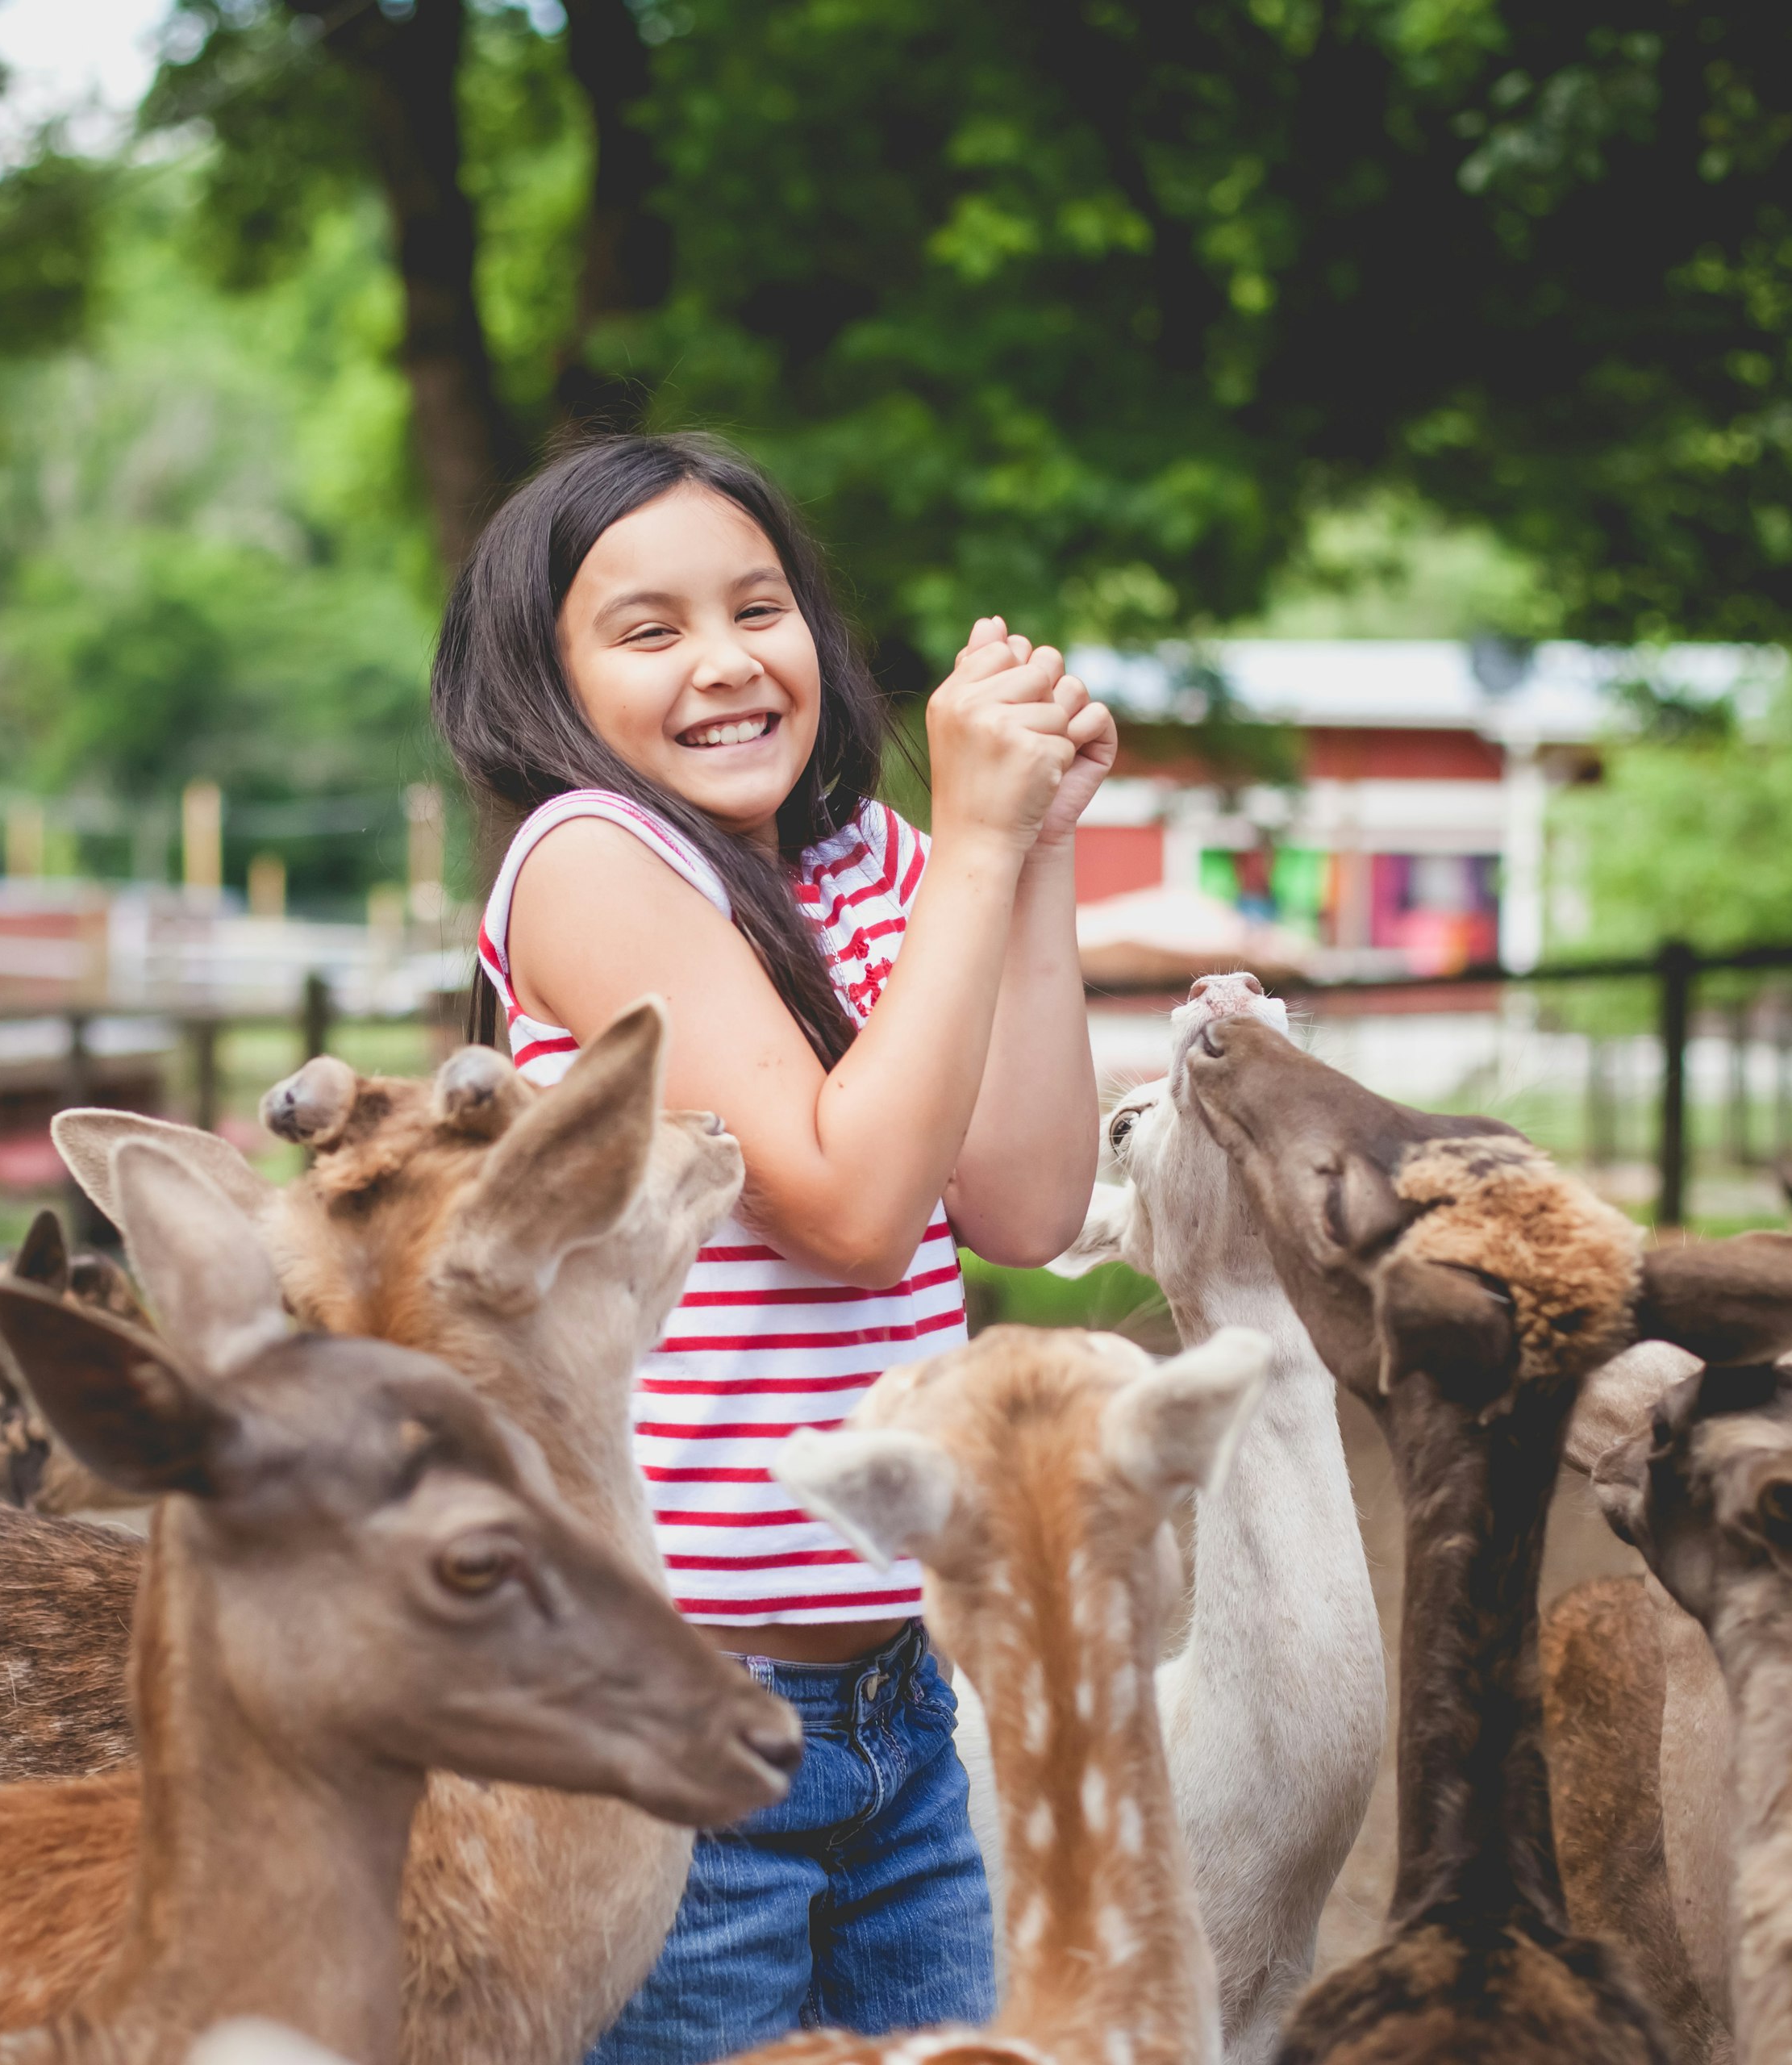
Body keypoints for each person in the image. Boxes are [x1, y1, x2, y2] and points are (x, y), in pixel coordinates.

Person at [431, 432, 1111, 2060]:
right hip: (673, 1719)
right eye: (649, 629)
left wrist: (1034, 847)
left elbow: (1025, 1208)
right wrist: (985, 851)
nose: (729, 662)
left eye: (762, 605)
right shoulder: (590, 865)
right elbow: (853, 1203)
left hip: (897, 1696)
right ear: (545, 678)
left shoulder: (872, 864)